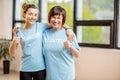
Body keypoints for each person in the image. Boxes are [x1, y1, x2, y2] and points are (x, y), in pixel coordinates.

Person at [9, 3, 74, 80]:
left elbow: (57, 23)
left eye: (35, 15)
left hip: (41, 68)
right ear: (24, 14)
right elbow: (12, 53)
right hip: (25, 69)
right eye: (30, 14)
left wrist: (69, 29)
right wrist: (14, 41)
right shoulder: (19, 31)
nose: (33, 17)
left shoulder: (41, 26)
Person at [42, 6, 80, 80]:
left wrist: (71, 46)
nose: (56, 20)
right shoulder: (45, 33)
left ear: (63, 20)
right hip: (50, 76)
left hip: (66, 75)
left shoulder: (69, 34)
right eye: (53, 17)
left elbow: (77, 54)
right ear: (49, 18)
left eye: (59, 18)